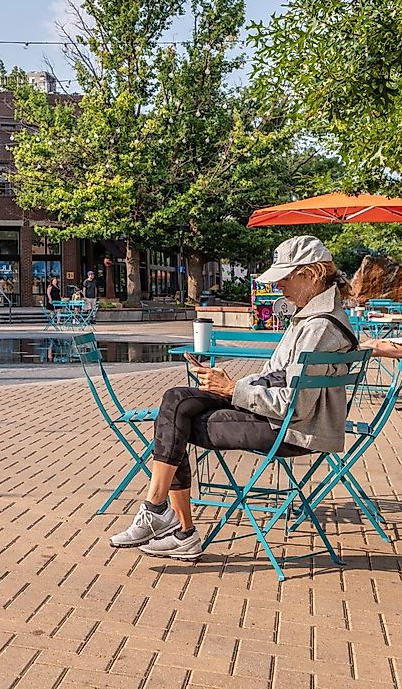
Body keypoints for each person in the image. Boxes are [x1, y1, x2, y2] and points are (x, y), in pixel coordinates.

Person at [109, 235, 358, 562]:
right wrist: (231, 383)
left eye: (284, 277)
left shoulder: (319, 328)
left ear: (310, 275)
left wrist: (233, 390)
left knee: (173, 425)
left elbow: (293, 406)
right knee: (176, 401)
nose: (278, 285)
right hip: (275, 414)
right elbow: (275, 375)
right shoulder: (311, 318)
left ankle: (174, 525)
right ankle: (162, 515)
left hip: (291, 430)